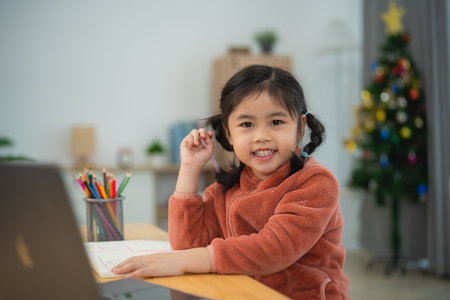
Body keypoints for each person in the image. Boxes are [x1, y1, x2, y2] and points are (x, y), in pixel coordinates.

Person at [112, 65, 350, 299]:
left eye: (276, 122)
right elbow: (187, 243)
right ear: (228, 132)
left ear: (300, 128)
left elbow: (272, 249)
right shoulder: (228, 185)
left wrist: (181, 261)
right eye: (247, 124)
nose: (261, 136)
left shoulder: (316, 183)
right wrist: (190, 168)